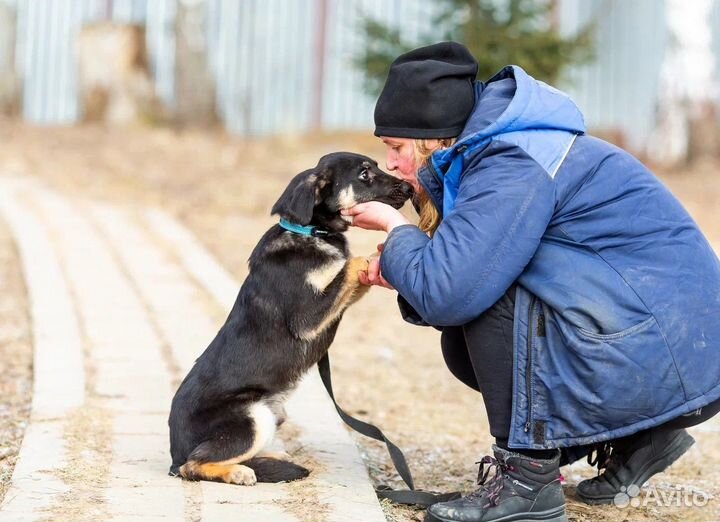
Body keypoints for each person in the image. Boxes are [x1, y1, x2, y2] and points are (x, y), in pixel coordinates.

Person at [343, 41, 720, 522]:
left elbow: (454, 293)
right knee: (468, 329)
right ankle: (640, 434)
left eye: (396, 149)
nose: (392, 165)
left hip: (669, 351)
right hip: (677, 352)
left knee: (488, 298)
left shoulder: (511, 162)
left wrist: (398, 235)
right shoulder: (503, 147)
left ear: (435, 139)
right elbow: (456, 275)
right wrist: (409, 266)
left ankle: (528, 481)